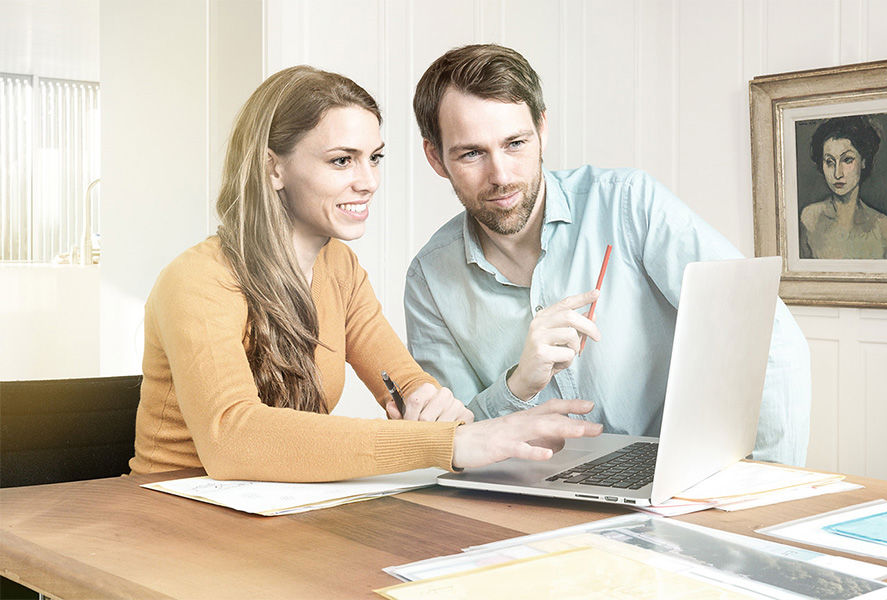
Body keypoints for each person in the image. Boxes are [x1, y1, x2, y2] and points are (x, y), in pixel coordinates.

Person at [129, 65, 602, 482]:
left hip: (278, 506)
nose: (368, 180)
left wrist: (434, 408)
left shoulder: (339, 268)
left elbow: (404, 381)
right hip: (176, 509)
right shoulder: (197, 280)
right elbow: (233, 438)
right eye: (342, 160)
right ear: (274, 168)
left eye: (374, 157)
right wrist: (450, 445)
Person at [404, 44, 812, 466]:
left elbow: (767, 336)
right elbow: (451, 441)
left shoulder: (629, 204)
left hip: (676, 486)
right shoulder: (428, 279)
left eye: (515, 143)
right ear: (436, 158)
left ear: (542, 130)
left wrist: (764, 485)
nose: (501, 175)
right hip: (522, 501)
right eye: (472, 153)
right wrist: (518, 385)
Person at [799, 115, 887, 260]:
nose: (838, 173)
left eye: (847, 160)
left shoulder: (886, 228)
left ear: (863, 161)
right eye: (830, 162)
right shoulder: (810, 219)